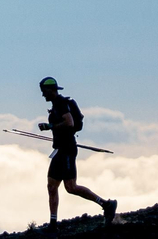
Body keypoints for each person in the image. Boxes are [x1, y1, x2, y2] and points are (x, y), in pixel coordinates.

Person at [38, 77, 117, 226]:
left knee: (71, 187)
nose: (43, 95)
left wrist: (50, 126)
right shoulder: (57, 105)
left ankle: (106, 204)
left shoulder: (61, 104)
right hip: (59, 150)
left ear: (51, 90)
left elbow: (69, 123)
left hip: (67, 150)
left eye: (44, 91)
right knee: (51, 186)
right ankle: (53, 224)